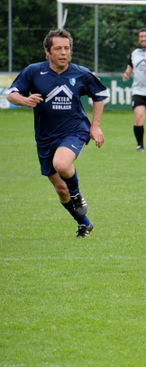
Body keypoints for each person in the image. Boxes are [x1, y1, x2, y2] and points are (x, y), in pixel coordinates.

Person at [5, 28, 108, 237]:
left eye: (67, 48)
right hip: (45, 137)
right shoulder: (34, 71)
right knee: (61, 189)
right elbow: (11, 94)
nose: (63, 53)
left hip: (75, 130)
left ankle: (77, 194)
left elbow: (100, 94)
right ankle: (84, 223)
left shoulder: (81, 73)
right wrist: (25, 100)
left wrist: (95, 126)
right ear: (48, 52)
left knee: (61, 164)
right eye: (58, 49)